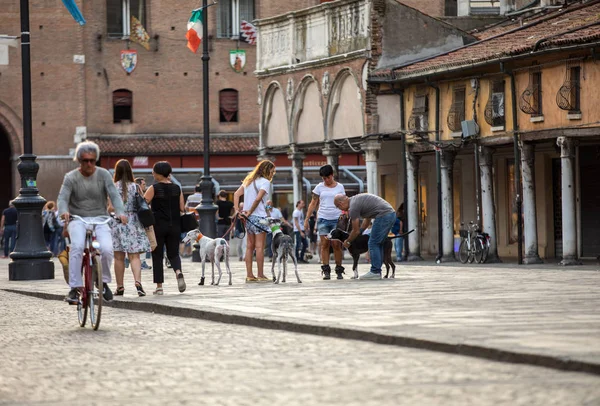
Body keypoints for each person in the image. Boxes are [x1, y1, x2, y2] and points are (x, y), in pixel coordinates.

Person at [57, 141, 128, 304]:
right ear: (79, 161)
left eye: (92, 160)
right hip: (77, 219)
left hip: (101, 219)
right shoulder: (71, 177)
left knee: (107, 249)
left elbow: (114, 195)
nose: (89, 164)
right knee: (77, 247)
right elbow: (63, 198)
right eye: (85, 160)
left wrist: (120, 212)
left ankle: (102, 283)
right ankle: (75, 288)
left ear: (96, 160)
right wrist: (63, 212)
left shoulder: (104, 175)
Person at [110, 159, 152, 297]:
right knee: (135, 256)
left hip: (118, 222)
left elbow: (110, 207)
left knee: (118, 257)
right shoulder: (136, 187)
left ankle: (120, 287)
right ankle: (138, 282)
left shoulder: (112, 186)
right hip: (134, 222)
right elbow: (143, 203)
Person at [144, 161, 187, 295]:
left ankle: (159, 287)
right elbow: (182, 208)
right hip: (175, 225)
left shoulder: (154, 188)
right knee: (173, 253)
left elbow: (143, 204)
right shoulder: (177, 188)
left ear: (158, 174)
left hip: (158, 225)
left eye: (153, 171)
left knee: (157, 255)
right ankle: (178, 272)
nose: (152, 173)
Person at [333, 193, 396, 280]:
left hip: (384, 216)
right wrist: (361, 232)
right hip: (390, 214)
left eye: (338, 207)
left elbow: (355, 230)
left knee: (373, 243)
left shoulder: (353, 208)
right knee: (378, 243)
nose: (340, 209)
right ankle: (377, 271)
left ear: (340, 203)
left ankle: (375, 271)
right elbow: (367, 219)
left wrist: (348, 241)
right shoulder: (356, 201)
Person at [233, 160, 276, 283]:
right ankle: (261, 274)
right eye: (272, 172)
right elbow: (258, 199)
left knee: (249, 247)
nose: (273, 174)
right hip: (259, 217)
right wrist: (251, 211)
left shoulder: (248, 181)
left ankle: (249, 275)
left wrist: (237, 211)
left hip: (247, 218)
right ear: (267, 170)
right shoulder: (265, 182)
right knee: (259, 247)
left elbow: (236, 194)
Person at [304, 164, 346, 280]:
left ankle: (339, 269)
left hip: (337, 219)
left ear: (332, 175)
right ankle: (326, 269)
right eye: (323, 178)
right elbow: (313, 203)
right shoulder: (319, 187)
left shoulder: (340, 187)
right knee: (325, 244)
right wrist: (307, 218)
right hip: (323, 218)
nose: (326, 180)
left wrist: (345, 213)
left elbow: (344, 202)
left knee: (337, 244)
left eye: (327, 177)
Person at [135, 177, 152, 270]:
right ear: (139, 185)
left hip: (138, 221)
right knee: (143, 241)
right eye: (143, 184)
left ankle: (129, 259)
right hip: (141, 221)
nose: (145, 186)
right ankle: (142, 262)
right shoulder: (139, 196)